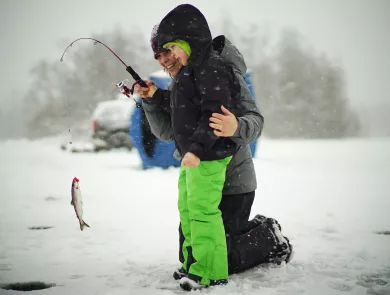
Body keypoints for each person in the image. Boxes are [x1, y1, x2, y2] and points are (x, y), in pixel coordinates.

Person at [137, 4, 293, 290]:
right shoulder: (185, 80)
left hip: (233, 181)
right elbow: (166, 132)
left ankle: (270, 237)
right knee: (196, 244)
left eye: (167, 51)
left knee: (224, 254)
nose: (164, 61)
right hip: (201, 173)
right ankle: (212, 259)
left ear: (184, 43)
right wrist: (150, 99)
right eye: (158, 55)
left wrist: (236, 127)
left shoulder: (221, 73)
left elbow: (256, 122)